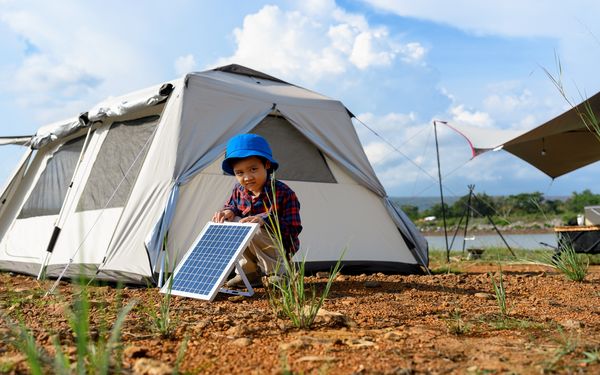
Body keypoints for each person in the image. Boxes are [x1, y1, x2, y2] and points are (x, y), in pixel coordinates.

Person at [212, 133, 302, 288]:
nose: (247, 177)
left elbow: (293, 228)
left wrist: (265, 221)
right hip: (252, 244)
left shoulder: (284, 193)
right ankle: (249, 273)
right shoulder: (239, 190)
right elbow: (232, 206)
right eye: (239, 173)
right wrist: (228, 212)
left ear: (266, 165)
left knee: (257, 229)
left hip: (278, 246)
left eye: (253, 169)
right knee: (232, 224)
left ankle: (279, 273)